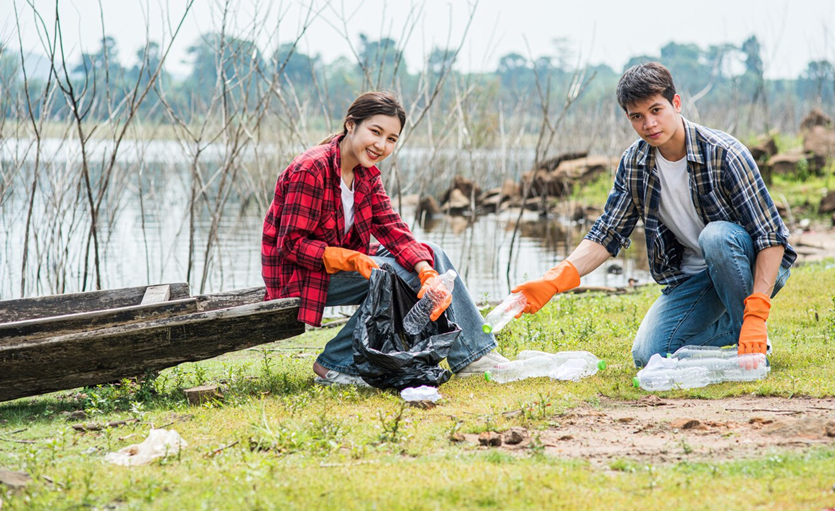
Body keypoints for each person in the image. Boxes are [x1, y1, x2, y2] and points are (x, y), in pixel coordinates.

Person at [512, 62, 795, 367]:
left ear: (676, 103)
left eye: (656, 110)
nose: (649, 124)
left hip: (747, 265)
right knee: (648, 354)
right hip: (694, 279)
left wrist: (756, 312)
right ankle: (738, 333)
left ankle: (752, 335)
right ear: (628, 118)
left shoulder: (725, 153)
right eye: (637, 116)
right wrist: (556, 279)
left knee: (716, 236)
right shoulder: (634, 163)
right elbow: (608, 233)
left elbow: (771, 237)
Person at [262, 91, 506, 385]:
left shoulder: (367, 175)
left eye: (391, 139)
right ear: (351, 125)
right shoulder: (312, 167)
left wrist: (426, 272)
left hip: (336, 271)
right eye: (375, 132)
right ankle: (335, 363)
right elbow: (291, 244)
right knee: (391, 275)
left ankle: (475, 354)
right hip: (300, 277)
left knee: (432, 253)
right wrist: (352, 259)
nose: (381, 145)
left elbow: (394, 230)